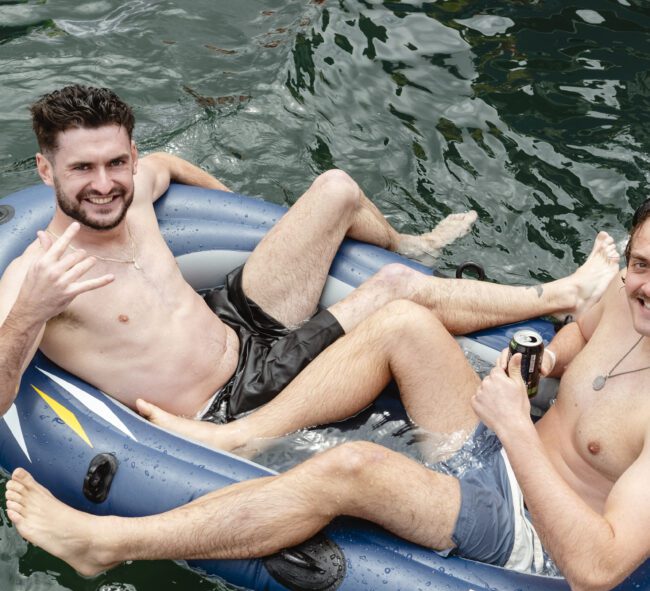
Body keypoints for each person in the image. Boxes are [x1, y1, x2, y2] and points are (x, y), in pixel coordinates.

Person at [6, 205, 650, 591]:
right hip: (502, 450)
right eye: (640, 263)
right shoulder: (625, 298)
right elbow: (578, 336)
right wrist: (548, 362)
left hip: (531, 532)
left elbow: (595, 569)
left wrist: (513, 426)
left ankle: (110, 542)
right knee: (403, 321)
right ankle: (239, 433)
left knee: (352, 471)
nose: (641, 284)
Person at [0, 84, 616, 426]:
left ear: (130, 153)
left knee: (335, 190)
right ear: (45, 169)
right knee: (394, 289)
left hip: (233, 321)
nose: (104, 183)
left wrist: (250, 225)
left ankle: (409, 240)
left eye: (116, 162)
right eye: (82, 168)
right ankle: (566, 292)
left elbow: (172, 167)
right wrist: (30, 311)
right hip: (232, 400)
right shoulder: (40, 276)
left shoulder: (134, 193)